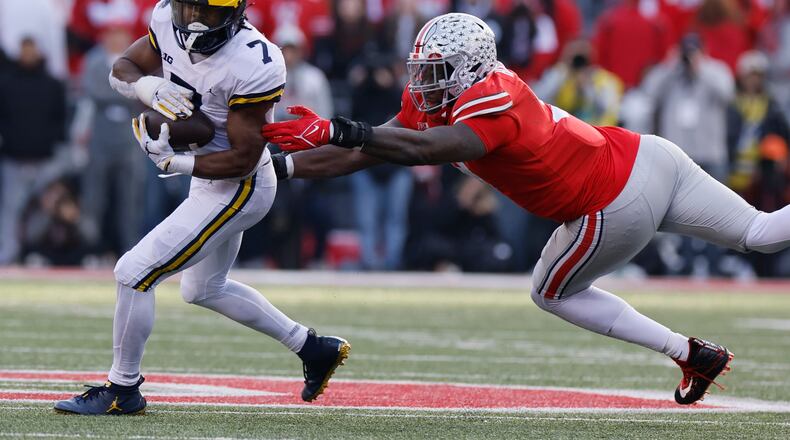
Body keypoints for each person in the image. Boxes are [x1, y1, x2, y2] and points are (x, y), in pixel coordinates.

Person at [262, 13, 790, 405]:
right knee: (763, 232)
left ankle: (689, 352)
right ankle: (694, 355)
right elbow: (372, 149)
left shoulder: (493, 101)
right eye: (422, 68)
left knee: (551, 293)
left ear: (469, 69)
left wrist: (340, 127)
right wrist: (281, 167)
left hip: (611, 200)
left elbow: (427, 150)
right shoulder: (460, 92)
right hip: (649, 156)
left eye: (437, 70)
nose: (424, 80)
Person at [54, 0, 349, 416]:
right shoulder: (164, 19)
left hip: (239, 185)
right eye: (187, 7)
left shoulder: (255, 60)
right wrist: (149, 88)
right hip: (208, 177)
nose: (193, 21)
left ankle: (122, 388)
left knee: (133, 272)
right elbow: (123, 66)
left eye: (206, 12)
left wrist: (177, 162)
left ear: (234, 12)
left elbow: (244, 157)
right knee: (202, 288)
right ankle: (313, 348)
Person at [0, 37, 66, 265]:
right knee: (10, 210)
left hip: (45, 160)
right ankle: (8, 255)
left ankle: (34, 251)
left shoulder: (52, 84)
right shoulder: (6, 83)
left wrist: (50, 142)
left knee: (46, 208)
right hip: (14, 159)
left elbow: (60, 120)